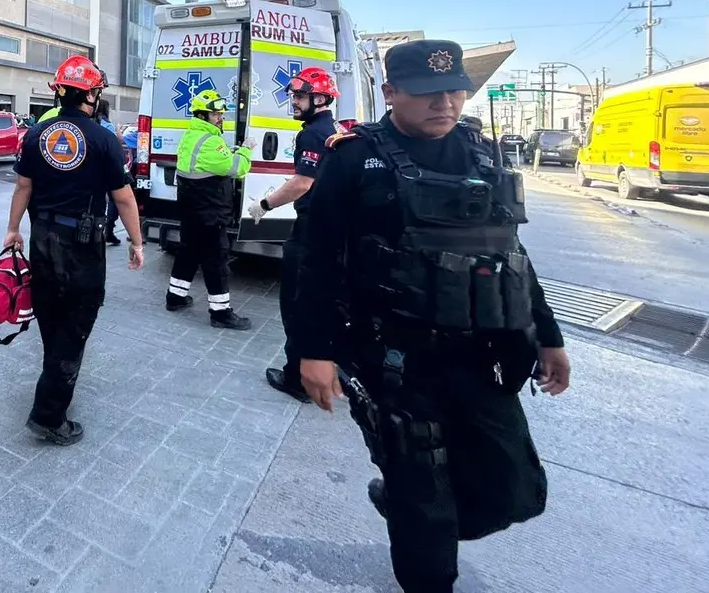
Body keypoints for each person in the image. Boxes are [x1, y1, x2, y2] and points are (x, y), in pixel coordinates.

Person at [294, 39, 572, 593]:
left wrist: (548, 335)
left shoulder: (481, 152)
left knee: (513, 491)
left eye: (454, 91)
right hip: (396, 358)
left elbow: (512, 254)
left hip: (483, 353)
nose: (443, 103)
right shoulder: (355, 159)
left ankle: (407, 505)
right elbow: (313, 259)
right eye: (425, 93)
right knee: (426, 506)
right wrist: (314, 349)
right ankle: (423, 545)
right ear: (391, 93)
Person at [4, 55, 143, 445]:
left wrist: (13, 229)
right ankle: (49, 415)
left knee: (51, 316)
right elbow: (125, 199)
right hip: (81, 247)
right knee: (76, 325)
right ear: (92, 94)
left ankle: (55, 383)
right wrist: (136, 241)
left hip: (42, 240)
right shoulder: (103, 139)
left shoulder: (36, 135)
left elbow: (23, 188)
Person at [247, 67, 343, 402]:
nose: (294, 102)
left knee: (296, 305)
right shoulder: (331, 129)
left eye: (300, 96)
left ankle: (296, 379)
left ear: (319, 99)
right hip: (329, 230)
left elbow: (303, 182)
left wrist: (264, 204)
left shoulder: (314, 133)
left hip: (311, 234)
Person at [166, 88, 254, 329]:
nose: (220, 118)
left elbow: (213, 163)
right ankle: (220, 312)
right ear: (203, 115)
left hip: (192, 209)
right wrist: (246, 148)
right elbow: (237, 168)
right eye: (216, 115)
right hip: (210, 211)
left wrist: (229, 152)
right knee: (216, 260)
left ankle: (175, 297)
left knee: (188, 252)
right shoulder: (211, 140)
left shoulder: (191, 135)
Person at [96, 98, 122, 246]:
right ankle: (108, 231)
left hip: (91, 171)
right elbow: (114, 147)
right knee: (114, 200)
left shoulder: (90, 124)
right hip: (106, 169)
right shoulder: (108, 126)